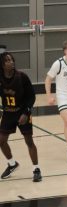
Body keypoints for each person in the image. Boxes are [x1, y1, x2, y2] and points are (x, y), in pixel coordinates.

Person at [0, 52, 42, 182]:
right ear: (2, 64)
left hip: (22, 112)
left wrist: (26, 113)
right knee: (1, 140)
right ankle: (12, 164)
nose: (11, 62)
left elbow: (32, 97)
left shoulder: (22, 77)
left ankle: (36, 169)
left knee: (29, 141)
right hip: (8, 113)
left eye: (12, 60)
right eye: (7, 60)